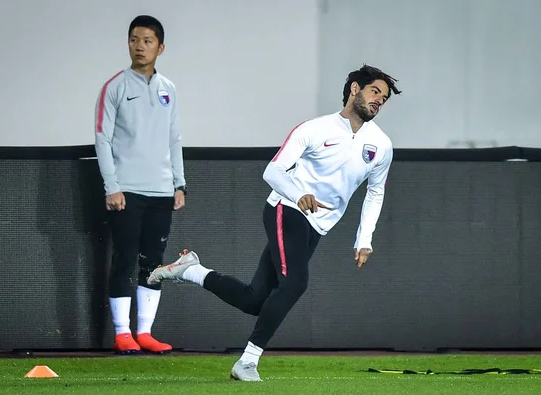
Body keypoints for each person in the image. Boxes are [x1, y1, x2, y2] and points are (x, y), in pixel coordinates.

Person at [148, 64, 401, 377]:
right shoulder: (314, 129)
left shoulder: (382, 145)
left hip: (318, 226)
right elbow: (272, 172)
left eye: (384, 98)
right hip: (286, 209)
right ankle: (248, 361)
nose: (379, 100)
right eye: (375, 91)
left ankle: (192, 270)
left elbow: (375, 193)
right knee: (295, 283)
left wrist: (364, 240)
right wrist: (298, 195)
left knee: (255, 300)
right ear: (354, 89)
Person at [94, 15, 187, 354]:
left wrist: (179, 184)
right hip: (127, 190)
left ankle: (145, 332)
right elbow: (102, 139)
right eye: (134, 39)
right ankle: (122, 333)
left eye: (147, 40)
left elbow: (173, 138)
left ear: (160, 47)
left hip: (162, 191)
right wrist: (111, 187)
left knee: (154, 263)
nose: (139, 46)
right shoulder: (115, 87)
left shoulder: (169, 89)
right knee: (125, 258)